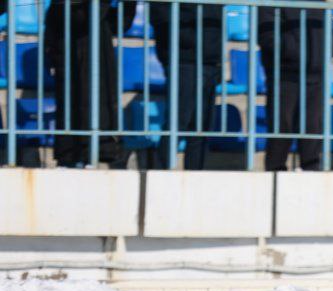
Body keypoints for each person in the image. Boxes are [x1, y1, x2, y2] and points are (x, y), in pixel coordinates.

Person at [44, 0, 135, 168]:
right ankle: (74, 157)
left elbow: (120, 24)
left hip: (98, 58)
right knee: (74, 108)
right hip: (70, 58)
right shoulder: (63, 7)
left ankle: (95, 153)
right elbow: (82, 18)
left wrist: (129, 4)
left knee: (97, 104)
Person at [257, 1, 329, 171]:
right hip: (284, 75)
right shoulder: (270, 3)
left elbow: (329, 30)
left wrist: (329, 48)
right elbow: (268, 37)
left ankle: (311, 172)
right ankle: (275, 172)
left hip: (314, 74)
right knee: (281, 127)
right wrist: (296, 54)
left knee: (312, 128)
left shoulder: (319, 3)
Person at [150, 2, 223, 169]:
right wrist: (197, 41)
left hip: (210, 62)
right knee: (178, 121)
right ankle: (162, 172)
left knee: (202, 127)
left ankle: (196, 173)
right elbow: (162, 18)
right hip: (183, 61)